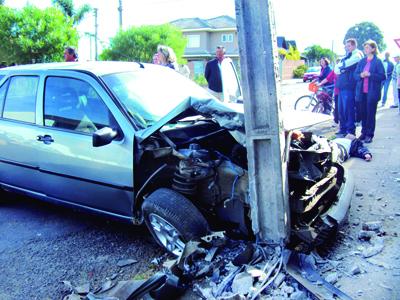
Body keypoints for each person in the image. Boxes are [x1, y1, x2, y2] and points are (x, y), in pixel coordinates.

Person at [354, 40, 385, 143]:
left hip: (372, 93)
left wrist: (370, 74)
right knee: (363, 113)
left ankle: (369, 135)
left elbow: (382, 76)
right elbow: (355, 75)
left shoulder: (378, 61)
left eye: (367, 47)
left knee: (370, 114)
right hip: (362, 92)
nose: (365, 49)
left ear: (373, 49)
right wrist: (360, 75)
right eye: (365, 47)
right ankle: (363, 132)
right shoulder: (362, 61)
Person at [334, 38, 364, 137]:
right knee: (341, 110)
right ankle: (343, 129)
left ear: (354, 45)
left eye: (349, 46)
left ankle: (350, 130)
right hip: (342, 86)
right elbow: (336, 69)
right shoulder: (347, 56)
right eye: (346, 46)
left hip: (349, 86)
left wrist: (342, 67)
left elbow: (346, 65)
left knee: (349, 109)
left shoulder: (357, 54)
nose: (347, 48)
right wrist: (342, 68)